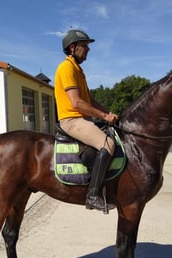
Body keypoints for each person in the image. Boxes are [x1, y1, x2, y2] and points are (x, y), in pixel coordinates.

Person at [54, 29, 118, 212]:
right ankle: (92, 196)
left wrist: (110, 113)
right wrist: (103, 116)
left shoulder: (78, 70)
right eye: (85, 46)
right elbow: (77, 102)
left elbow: (90, 100)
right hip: (71, 120)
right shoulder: (66, 68)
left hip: (82, 118)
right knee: (108, 145)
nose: (88, 50)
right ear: (72, 47)